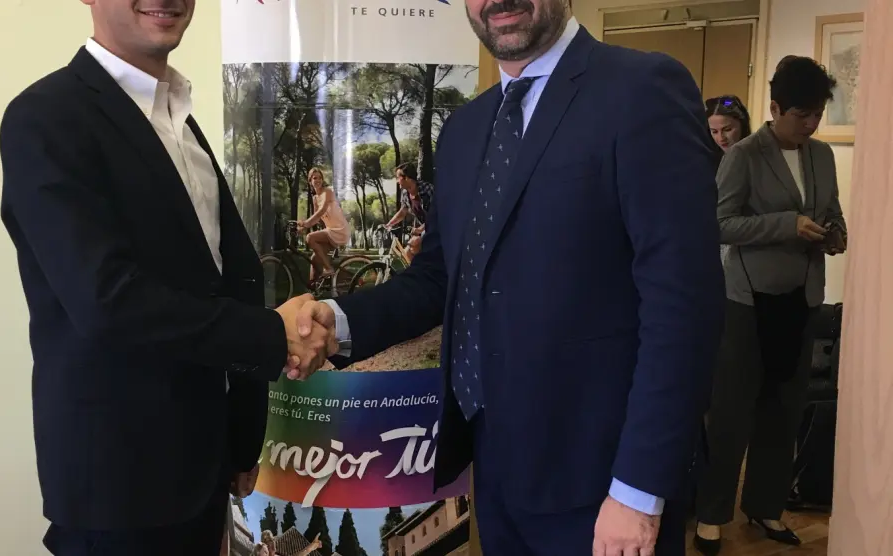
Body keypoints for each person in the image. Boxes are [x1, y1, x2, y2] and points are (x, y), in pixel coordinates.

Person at [282, 0, 725, 553]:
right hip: (493, 468)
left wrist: (639, 491)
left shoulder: (641, 90)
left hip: (603, 484)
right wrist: (335, 321)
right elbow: (439, 278)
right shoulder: (465, 130)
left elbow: (684, 306)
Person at [0, 1, 333, 554]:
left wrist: (240, 440)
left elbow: (226, 279)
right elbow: (107, 300)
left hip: (205, 469)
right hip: (119, 484)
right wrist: (273, 334)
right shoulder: (45, 117)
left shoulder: (178, 117)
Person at [692, 56, 845, 555]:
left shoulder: (821, 155)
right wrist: (786, 224)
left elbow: (832, 211)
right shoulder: (745, 155)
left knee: (784, 411)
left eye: (818, 113)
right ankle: (712, 514)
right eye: (802, 115)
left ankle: (766, 505)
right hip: (747, 299)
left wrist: (836, 235)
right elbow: (720, 224)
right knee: (731, 413)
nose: (811, 124)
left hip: (803, 298)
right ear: (775, 108)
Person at [296, 168, 350, 282]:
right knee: (315, 258)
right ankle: (313, 286)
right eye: (315, 178)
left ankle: (328, 268)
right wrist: (302, 227)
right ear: (310, 181)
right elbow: (317, 218)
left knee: (310, 238)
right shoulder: (315, 199)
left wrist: (305, 223)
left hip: (340, 230)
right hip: (330, 231)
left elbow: (321, 211)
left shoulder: (327, 192)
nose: (318, 180)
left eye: (320, 178)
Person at [383, 162, 435, 261]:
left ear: (406, 178)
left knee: (414, 244)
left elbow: (436, 215)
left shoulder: (427, 189)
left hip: (437, 228)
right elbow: (403, 212)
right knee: (407, 253)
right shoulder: (405, 193)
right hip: (424, 229)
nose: (397, 181)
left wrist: (420, 229)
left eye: (398, 177)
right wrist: (389, 224)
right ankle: (419, 270)